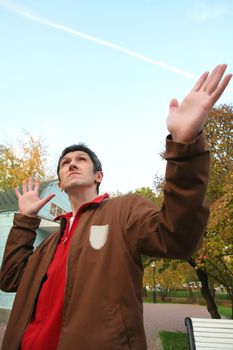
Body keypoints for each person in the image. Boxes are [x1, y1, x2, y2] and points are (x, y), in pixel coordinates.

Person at [0, 64, 232, 350]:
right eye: (65, 162)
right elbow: (11, 280)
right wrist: (25, 219)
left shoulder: (124, 211)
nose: (72, 162)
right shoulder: (50, 244)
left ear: (99, 175)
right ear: (59, 184)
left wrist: (184, 145)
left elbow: (179, 238)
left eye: (81, 159)